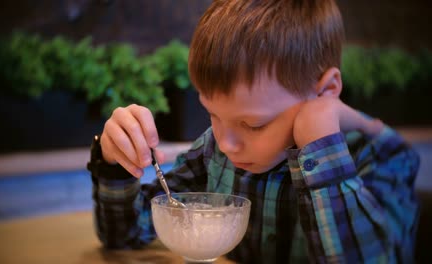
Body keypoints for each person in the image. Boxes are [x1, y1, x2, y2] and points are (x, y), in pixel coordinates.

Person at [87, 0, 420, 263]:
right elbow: (126, 235)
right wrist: (115, 164)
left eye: (254, 124)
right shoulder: (214, 151)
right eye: (212, 114)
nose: (227, 143)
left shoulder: (382, 160)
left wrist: (320, 144)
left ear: (325, 91)